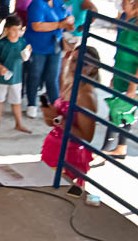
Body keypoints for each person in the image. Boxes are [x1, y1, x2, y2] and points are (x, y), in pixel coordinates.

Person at [40, 46, 102, 205]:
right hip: (53, 149)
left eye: (85, 64)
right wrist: (49, 114)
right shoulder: (69, 84)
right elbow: (53, 121)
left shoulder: (86, 95)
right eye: (74, 60)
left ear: (94, 67)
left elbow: (86, 137)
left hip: (70, 156)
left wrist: (58, 121)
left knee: (61, 202)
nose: (77, 66)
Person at [24, 0, 72, 119]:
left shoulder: (57, 2)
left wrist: (69, 22)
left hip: (54, 45)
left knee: (52, 77)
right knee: (34, 75)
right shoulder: (37, 3)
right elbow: (36, 25)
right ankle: (32, 103)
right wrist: (59, 25)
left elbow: (67, 16)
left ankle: (55, 105)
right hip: (37, 46)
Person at [102, 0, 138, 159]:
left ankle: (107, 148)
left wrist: (133, 85)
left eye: (127, 2)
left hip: (131, 78)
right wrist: (114, 75)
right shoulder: (129, 22)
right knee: (119, 111)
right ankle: (118, 148)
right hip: (121, 74)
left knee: (120, 111)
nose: (123, 5)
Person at [0, 16, 32, 133]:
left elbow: (26, 53)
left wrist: (28, 51)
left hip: (17, 78)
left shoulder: (22, 41)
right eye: (13, 30)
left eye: (19, 29)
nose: (16, 32)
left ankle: (18, 123)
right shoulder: (1, 43)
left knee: (16, 102)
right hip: (2, 77)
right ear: (6, 30)